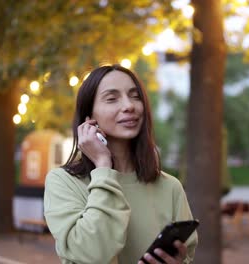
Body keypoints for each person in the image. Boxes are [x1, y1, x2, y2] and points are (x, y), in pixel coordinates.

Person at [44, 64, 198, 264]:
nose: (129, 106)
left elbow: (188, 256)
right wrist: (103, 166)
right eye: (112, 98)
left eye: (135, 96)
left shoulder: (170, 187)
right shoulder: (63, 182)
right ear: (89, 118)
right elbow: (92, 253)